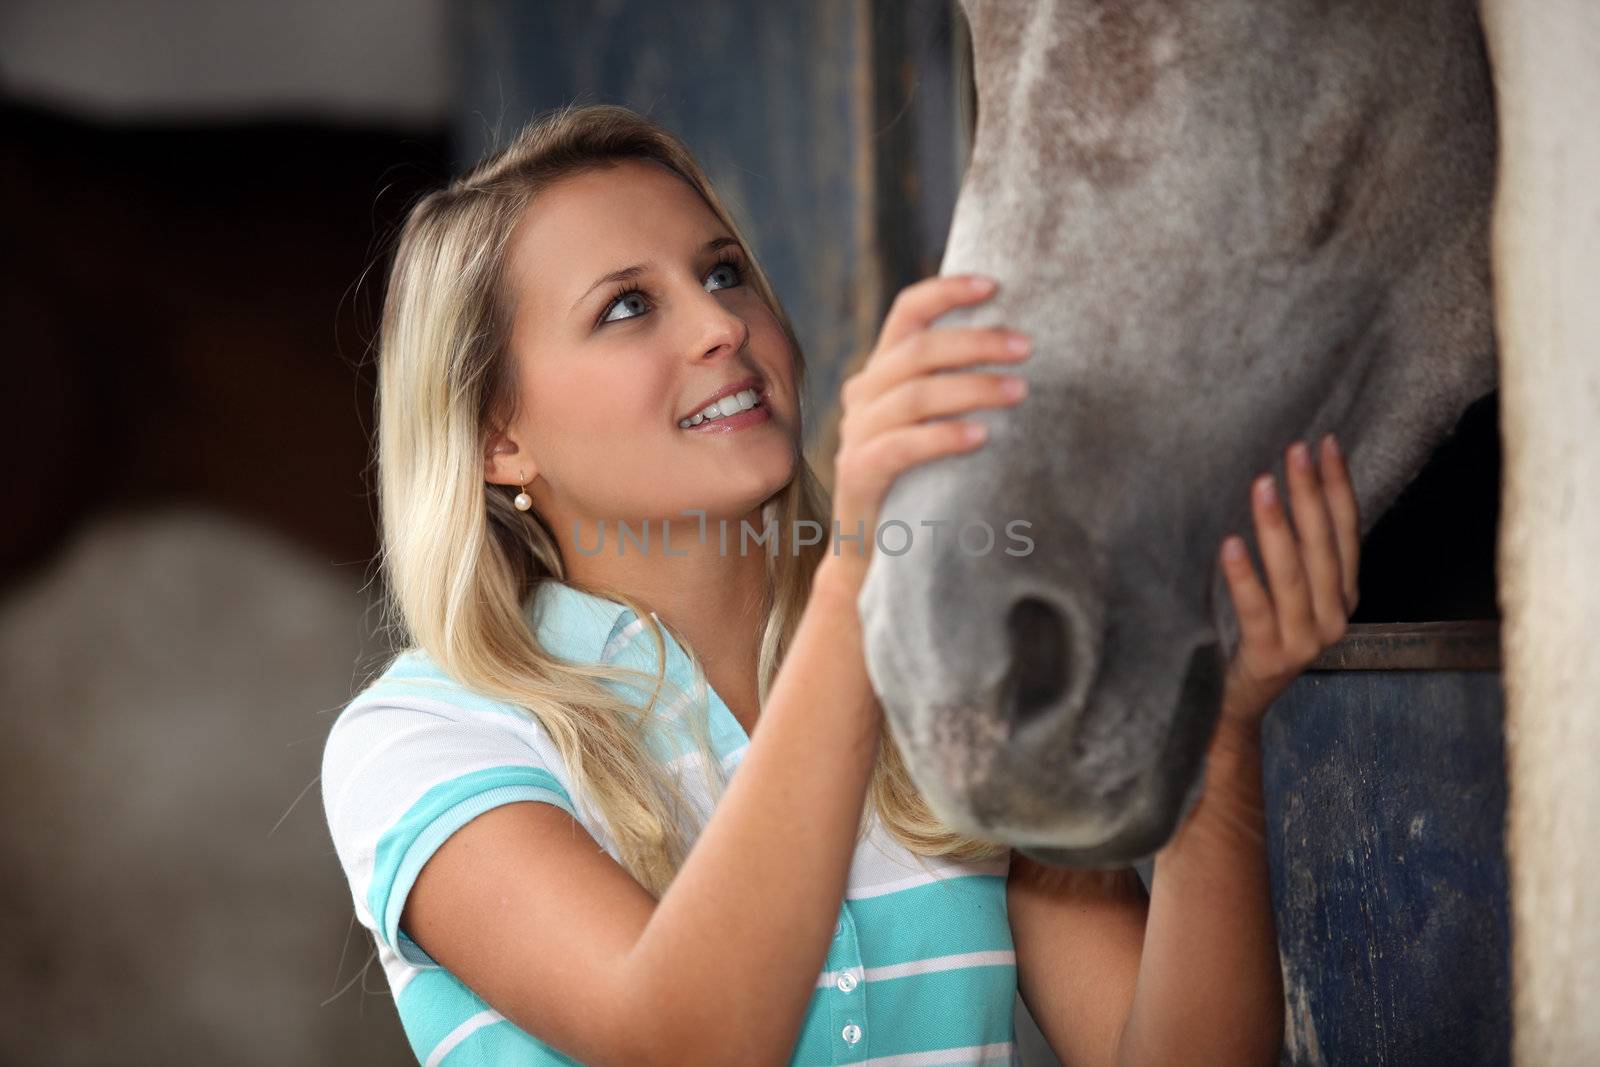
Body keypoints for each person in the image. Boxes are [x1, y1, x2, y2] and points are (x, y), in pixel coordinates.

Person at [320, 102, 1361, 1067]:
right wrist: (863, 566)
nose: (721, 324)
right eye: (628, 305)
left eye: (723, 272)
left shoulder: (958, 678)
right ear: (499, 437)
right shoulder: (427, 736)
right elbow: (686, 1039)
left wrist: (1214, 736)